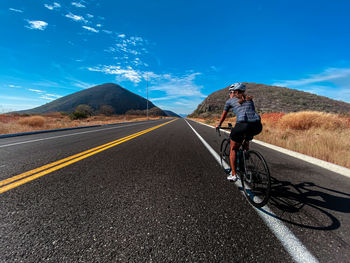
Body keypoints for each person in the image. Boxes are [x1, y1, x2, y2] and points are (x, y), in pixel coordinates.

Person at [216, 83, 262, 181]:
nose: (230, 94)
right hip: (257, 125)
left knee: (233, 149)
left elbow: (224, 115)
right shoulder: (249, 99)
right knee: (246, 137)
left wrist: (219, 124)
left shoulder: (230, 101)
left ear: (234, 92)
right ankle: (246, 152)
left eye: (230, 92)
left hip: (242, 125)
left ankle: (233, 174)